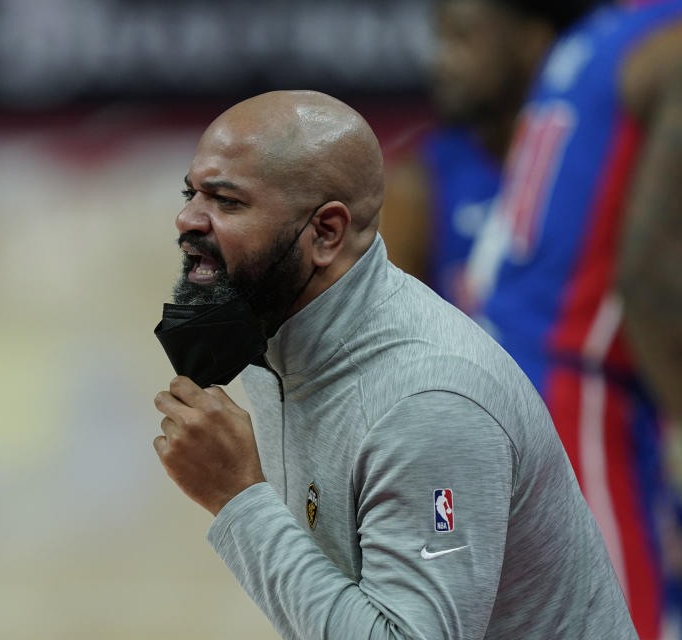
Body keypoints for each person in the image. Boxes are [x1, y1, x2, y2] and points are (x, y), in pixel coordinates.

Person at [151, 90, 636, 639]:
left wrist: (239, 497)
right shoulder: (273, 325)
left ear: (325, 233)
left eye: (226, 201)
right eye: (192, 192)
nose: (187, 218)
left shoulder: (429, 406)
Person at [461, 2, 682, 636]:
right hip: (568, 387)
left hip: (508, 360)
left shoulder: (602, 33)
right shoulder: (670, 52)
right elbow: (651, 277)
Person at [381, 0, 563, 306]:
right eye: (440, 38)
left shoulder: (588, 166)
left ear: (532, 41)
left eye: (462, 37)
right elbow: (387, 328)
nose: (441, 61)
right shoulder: (418, 182)